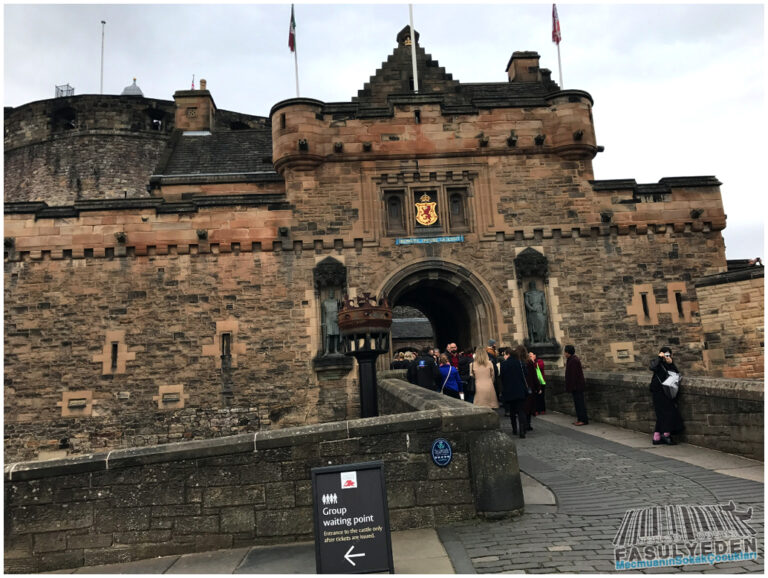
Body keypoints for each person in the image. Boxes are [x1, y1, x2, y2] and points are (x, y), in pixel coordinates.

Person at [649, 347, 684, 445]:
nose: (667, 356)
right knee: (666, 413)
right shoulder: (657, 362)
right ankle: (666, 434)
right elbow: (652, 367)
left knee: (664, 414)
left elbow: (677, 374)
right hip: (658, 391)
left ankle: (656, 437)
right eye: (665, 354)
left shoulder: (669, 364)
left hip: (668, 391)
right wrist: (659, 358)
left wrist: (671, 363)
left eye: (668, 354)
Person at [500, 346, 529, 437]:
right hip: (520, 389)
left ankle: (514, 429)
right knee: (521, 410)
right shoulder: (520, 363)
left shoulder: (504, 364)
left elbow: (502, 378)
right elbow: (526, 374)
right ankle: (522, 431)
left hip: (509, 390)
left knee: (512, 411)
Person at [564, 344, 588, 425]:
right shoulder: (571, 359)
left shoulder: (573, 360)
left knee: (580, 403)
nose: (564, 354)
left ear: (568, 352)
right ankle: (580, 419)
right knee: (578, 403)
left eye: (565, 352)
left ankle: (583, 420)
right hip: (576, 386)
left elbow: (573, 375)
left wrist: (572, 386)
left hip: (577, 386)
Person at [528, 351, 546, 415]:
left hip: (541, 382)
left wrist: (532, 362)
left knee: (541, 396)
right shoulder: (529, 363)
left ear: (535, 355)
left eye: (531, 355)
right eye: (529, 356)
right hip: (534, 382)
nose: (530, 357)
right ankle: (536, 410)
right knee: (535, 397)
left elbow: (540, 366)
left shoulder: (540, 361)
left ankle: (542, 409)